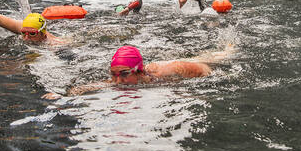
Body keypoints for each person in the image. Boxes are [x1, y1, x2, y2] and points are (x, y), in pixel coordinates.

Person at [43, 44, 234, 99]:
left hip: (194, 64)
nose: (117, 82)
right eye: (114, 74)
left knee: (219, 56)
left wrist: (221, 76)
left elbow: (204, 70)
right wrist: (63, 97)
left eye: (124, 74)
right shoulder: (119, 78)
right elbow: (90, 86)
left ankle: (228, 48)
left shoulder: (170, 71)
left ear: (138, 72)